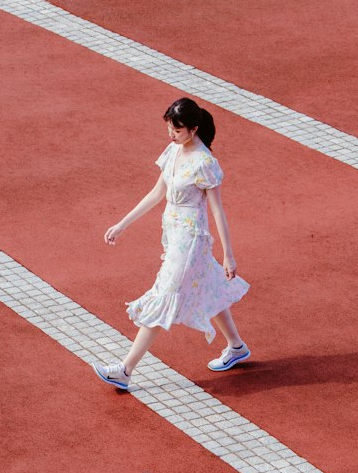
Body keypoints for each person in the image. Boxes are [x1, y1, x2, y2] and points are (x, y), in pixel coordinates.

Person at [93, 98, 250, 391]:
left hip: (190, 241)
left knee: (163, 295)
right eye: (169, 129)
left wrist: (229, 254)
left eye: (177, 131)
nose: (171, 135)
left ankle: (125, 370)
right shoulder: (173, 151)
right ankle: (237, 347)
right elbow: (156, 194)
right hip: (174, 234)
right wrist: (122, 224)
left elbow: (218, 211)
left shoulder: (205, 164)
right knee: (207, 288)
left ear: (193, 129)